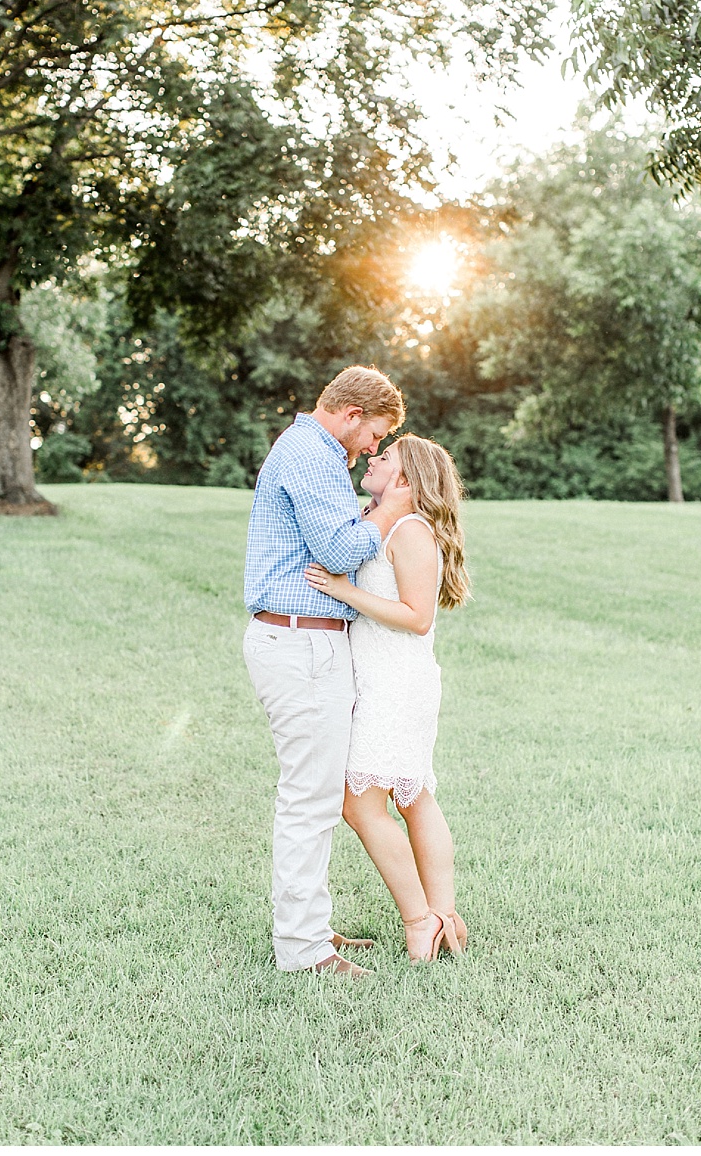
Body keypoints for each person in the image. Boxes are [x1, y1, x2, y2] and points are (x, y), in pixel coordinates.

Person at [241, 365, 405, 978]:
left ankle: (312, 930)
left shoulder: (313, 453)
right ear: (353, 413)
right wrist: (389, 511)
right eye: (375, 435)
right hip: (300, 644)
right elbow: (338, 551)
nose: (373, 449)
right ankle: (304, 951)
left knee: (313, 797)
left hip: (305, 642)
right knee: (309, 801)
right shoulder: (309, 452)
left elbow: (333, 539)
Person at [304, 434, 471, 963]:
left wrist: (342, 590)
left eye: (385, 458)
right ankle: (444, 918)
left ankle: (420, 921)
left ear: (404, 480)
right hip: (385, 679)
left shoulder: (411, 530)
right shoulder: (382, 522)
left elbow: (418, 617)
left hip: (396, 682)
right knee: (413, 796)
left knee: (364, 805)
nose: (373, 459)